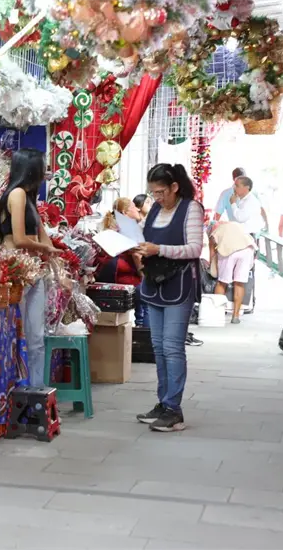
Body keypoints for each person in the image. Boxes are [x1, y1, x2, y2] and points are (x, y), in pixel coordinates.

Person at [135, 164, 203, 432]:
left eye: (161, 191)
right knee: (159, 347)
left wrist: (158, 249)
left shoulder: (191, 209)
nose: (157, 197)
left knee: (173, 348)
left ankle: (174, 410)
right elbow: (142, 237)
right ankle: (163, 403)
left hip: (179, 285)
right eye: (153, 192)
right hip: (154, 284)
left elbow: (196, 248)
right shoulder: (153, 209)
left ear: (175, 187)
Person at [0, 148, 59, 387]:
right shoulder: (17, 195)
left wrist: (53, 257)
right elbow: (21, 239)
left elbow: (43, 236)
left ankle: (37, 392)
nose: (45, 174)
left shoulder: (29, 197)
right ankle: (16, 390)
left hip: (33, 271)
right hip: (17, 271)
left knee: (37, 337)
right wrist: (46, 251)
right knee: (17, 335)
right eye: (43, 169)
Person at [98, 198, 148, 326]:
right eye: (133, 207)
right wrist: (143, 275)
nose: (137, 208)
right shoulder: (129, 227)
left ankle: (140, 327)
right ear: (125, 212)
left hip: (111, 274)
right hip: (123, 276)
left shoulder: (113, 227)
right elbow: (136, 255)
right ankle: (146, 338)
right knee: (149, 297)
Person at [209, 221, 255, 324]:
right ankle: (235, 316)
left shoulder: (214, 232)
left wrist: (210, 263)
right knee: (239, 282)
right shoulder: (237, 225)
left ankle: (217, 314)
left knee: (222, 282)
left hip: (229, 251)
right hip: (247, 250)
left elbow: (212, 252)